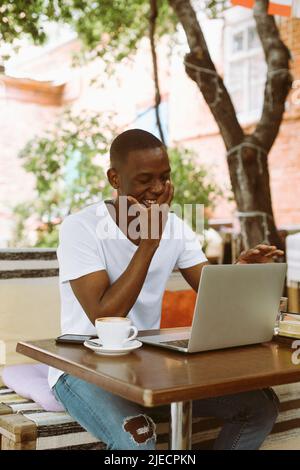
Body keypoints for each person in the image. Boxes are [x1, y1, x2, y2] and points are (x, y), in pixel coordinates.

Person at [49, 129, 283, 450]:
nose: (158, 189)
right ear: (115, 179)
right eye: (145, 179)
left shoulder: (175, 226)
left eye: (164, 177)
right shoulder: (81, 227)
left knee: (260, 406)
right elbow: (104, 316)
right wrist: (149, 242)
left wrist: (240, 273)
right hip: (82, 368)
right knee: (139, 439)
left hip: (145, 367)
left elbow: (210, 286)